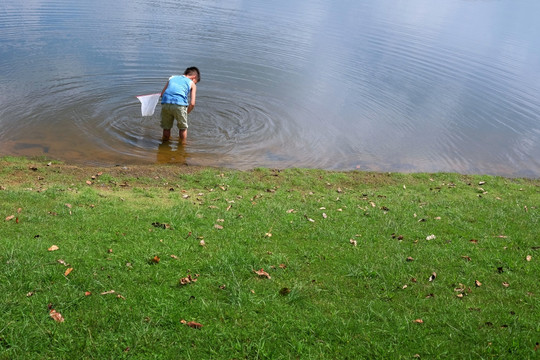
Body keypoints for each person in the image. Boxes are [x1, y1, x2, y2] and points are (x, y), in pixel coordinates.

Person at [160, 66, 200, 143]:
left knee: (166, 128)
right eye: (196, 82)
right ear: (194, 77)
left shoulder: (172, 78)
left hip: (165, 103)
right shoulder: (192, 83)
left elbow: (162, 94)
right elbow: (192, 103)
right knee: (183, 128)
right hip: (180, 105)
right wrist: (187, 112)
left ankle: (165, 144)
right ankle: (182, 147)